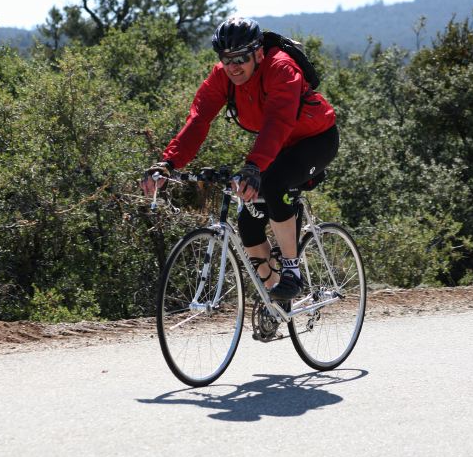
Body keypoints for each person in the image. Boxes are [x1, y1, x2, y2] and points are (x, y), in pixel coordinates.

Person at [141, 17, 339, 300]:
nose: (233, 67)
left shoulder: (281, 68)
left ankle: (292, 272)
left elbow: (278, 122)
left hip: (316, 139)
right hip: (278, 146)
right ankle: (275, 299)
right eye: (226, 59)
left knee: (274, 185)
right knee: (247, 222)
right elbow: (198, 120)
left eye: (241, 58)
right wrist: (168, 163)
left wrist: (253, 166)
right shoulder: (222, 76)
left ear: (258, 53)